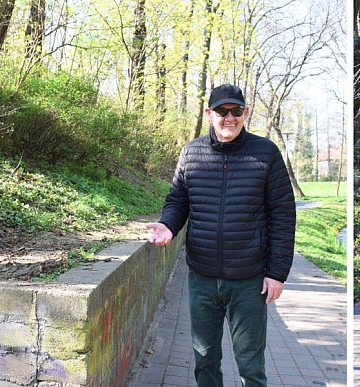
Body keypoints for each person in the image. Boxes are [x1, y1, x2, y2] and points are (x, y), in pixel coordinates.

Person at [146, 83, 296, 387]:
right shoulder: (192, 153)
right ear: (209, 113)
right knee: (204, 360)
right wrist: (168, 225)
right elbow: (178, 200)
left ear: (245, 113)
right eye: (222, 111)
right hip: (201, 278)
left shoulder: (266, 153)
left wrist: (277, 273)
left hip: (250, 281)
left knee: (250, 364)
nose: (229, 118)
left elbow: (283, 215)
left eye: (236, 111)